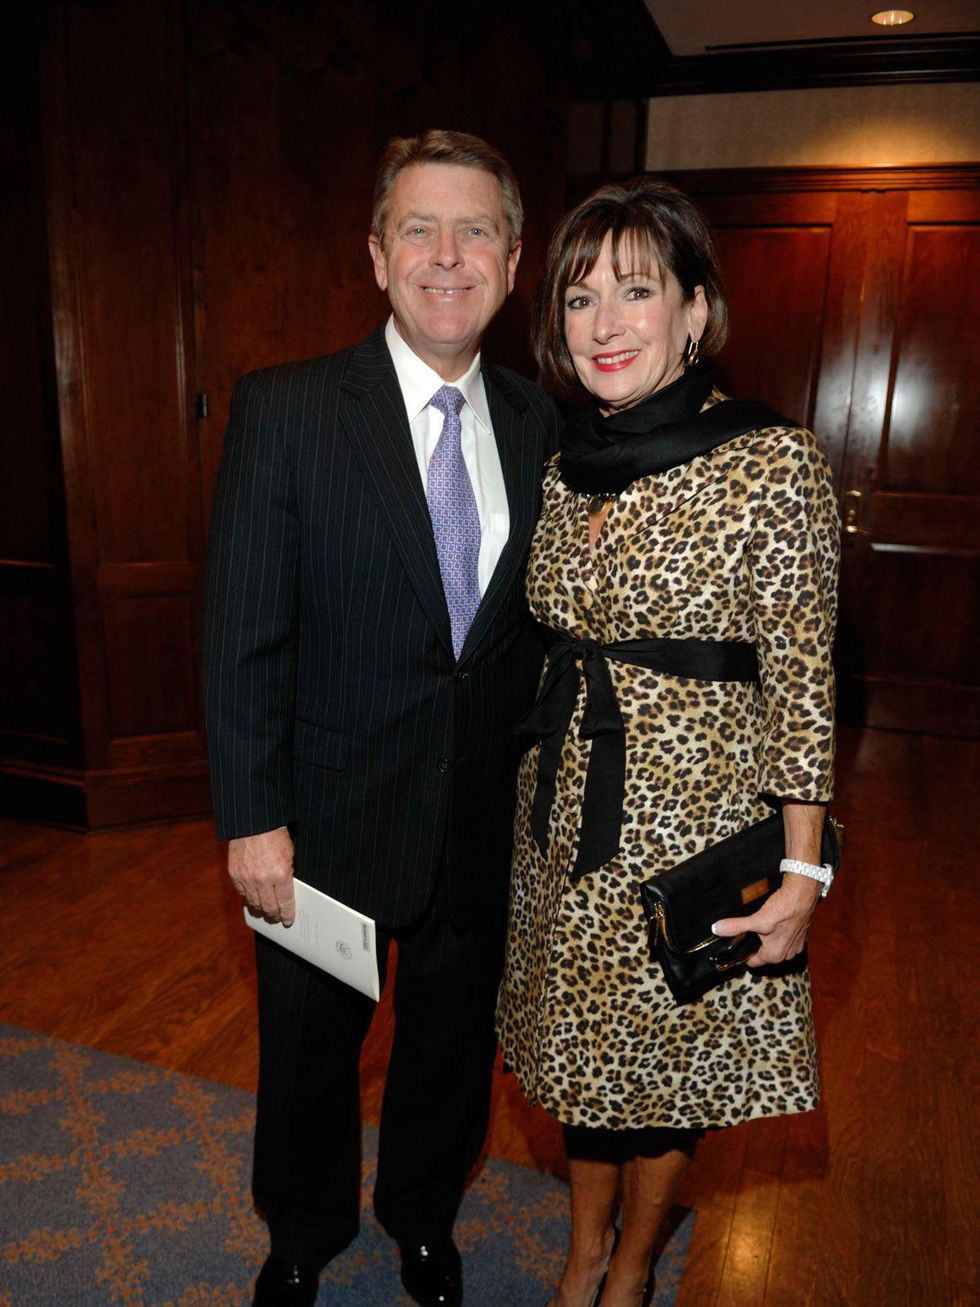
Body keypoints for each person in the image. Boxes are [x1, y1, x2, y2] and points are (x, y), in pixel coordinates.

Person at [204, 129, 559, 1307]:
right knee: (309, 1052)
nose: (446, 254)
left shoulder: (546, 428)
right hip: (325, 820)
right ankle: (301, 1230)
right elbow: (243, 632)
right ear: (375, 255)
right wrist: (251, 820)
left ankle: (421, 1218)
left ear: (512, 263)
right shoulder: (287, 409)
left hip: (479, 822)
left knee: (450, 1049)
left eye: (475, 231)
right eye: (419, 228)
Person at [495, 177, 840, 1307]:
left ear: (695, 309)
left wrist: (803, 873)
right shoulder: (562, 465)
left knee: (660, 1072)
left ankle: (633, 1264)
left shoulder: (771, 460)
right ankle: (581, 1250)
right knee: (579, 1060)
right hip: (561, 819)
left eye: (635, 290)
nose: (604, 322)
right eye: (579, 296)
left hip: (690, 826)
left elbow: (802, 679)